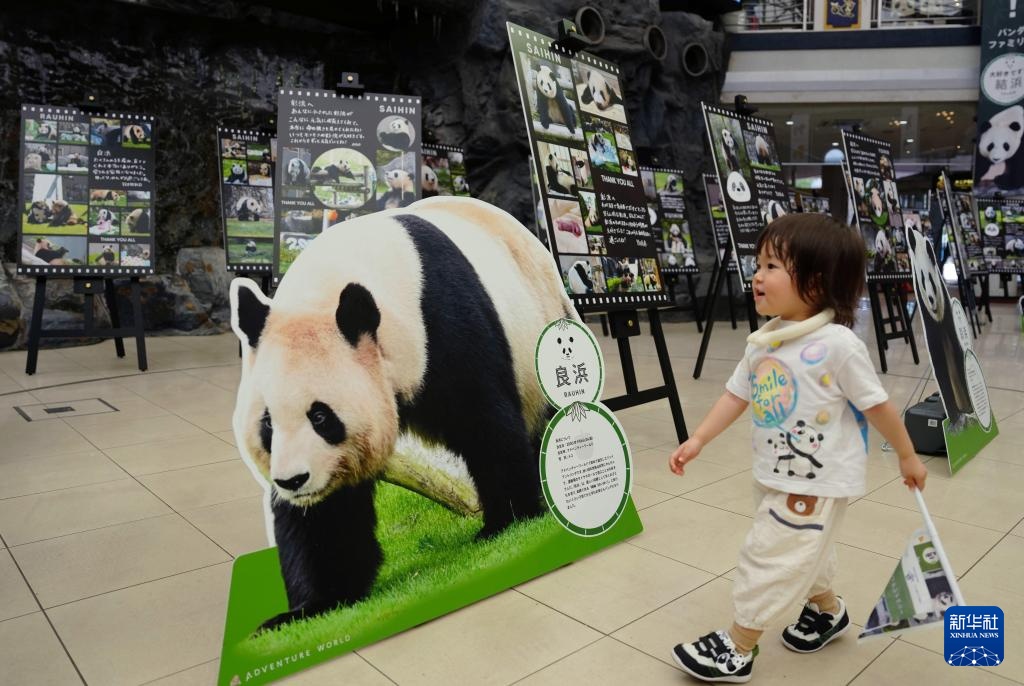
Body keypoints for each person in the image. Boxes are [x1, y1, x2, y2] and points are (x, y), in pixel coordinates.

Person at [668, 213, 928, 683]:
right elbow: (736, 396)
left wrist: (907, 454)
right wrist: (699, 438)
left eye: (771, 266)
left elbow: (877, 406)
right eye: (758, 264)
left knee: (770, 553)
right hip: (773, 470)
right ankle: (827, 610)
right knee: (805, 549)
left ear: (815, 282)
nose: (757, 275)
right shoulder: (763, 343)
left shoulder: (838, 345)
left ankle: (739, 644)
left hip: (816, 480)